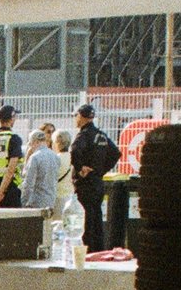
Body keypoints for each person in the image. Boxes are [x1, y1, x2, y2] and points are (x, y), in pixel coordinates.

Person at [70, 103, 120, 253]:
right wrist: (100, 171)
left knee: (87, 219)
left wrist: (80, 169)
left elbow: (74, 151)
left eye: (76, 116)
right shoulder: (101, 135)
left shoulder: (84, 135)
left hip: (85, 184)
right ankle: (99, 249)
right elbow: (115, 154)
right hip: (98, 183)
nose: (75, 119)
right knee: (97, 218)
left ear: (82, 117)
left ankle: (88, 251)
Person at [20, 127, 59, 220]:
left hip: (36, 202)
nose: (30, 147)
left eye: (30, 144)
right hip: (50, 200)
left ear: (35, 142)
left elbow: (28, 183)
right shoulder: (55, 156)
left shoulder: (35, 157)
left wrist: (24, 203)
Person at [53, 129, 74, 209]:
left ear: (57, 142)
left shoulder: (55, 159)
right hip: (71, 195)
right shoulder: (74, 158)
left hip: (58, 196)